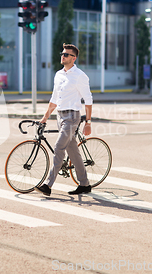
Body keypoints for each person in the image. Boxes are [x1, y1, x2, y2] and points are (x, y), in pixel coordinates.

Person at [34, 43, 93, 196]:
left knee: (59, 147)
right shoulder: (59, 74)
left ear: (73, 58)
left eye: (66, 54)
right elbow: (54, 99)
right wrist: (45, 118)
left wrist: (88, 122)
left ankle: (48, 185)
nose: (63, 56)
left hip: (72, 117)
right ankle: (85, 184)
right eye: (62, 53)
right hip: (60, 116)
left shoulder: (80, 76)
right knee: (73, 151)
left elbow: (88, 99)